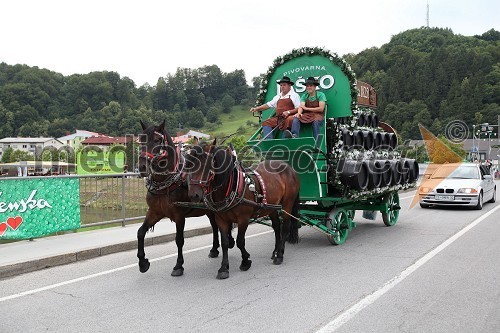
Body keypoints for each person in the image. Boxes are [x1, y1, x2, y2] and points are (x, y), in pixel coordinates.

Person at [289, 77, 327, 141]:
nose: (309, 87)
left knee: (316, 122)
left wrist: (307, 108)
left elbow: (321, 109)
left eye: (311, 85)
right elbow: (301, 106)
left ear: (315, 87)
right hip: (307, 115)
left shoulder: (321, 95)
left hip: (318, 115)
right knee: (296, 118)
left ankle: (317, 142)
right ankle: (294, 136)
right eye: (307, 86)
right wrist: (299, 113)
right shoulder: (304, 96)